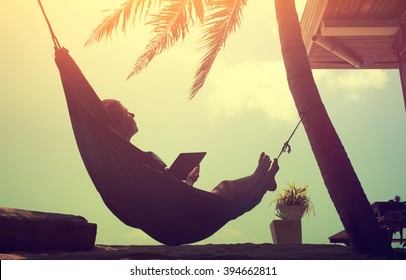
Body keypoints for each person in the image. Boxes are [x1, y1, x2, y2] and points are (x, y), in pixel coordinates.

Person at [102, 99, 279, 204]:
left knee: (224, 189)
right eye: (127, 113)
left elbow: (166, 189)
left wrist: (189, 180)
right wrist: (187, 181)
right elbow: (168, 196)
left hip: (176, 207)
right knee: (226, 188)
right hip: (175, 211)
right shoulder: (134, 160)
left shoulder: (127, 158)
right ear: (121, 125)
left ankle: (261, 180)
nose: (133, 115)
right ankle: (260, 179)